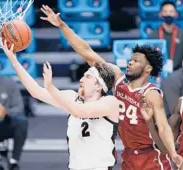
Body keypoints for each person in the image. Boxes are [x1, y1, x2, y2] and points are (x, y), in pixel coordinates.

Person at [39, 5, 183, 169]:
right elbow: (86, 52)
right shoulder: (118, 80)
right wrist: (62, 26)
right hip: (128, 155)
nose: (130, 62)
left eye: (136, 61)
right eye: (131, 59)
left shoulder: (151, 94)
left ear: (147, 69)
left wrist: (173, 154)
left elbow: (163, 127)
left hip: (151, 157)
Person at [0, 39, 120, 170]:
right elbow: (36, 92)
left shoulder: (110, 103)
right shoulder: (71, 97)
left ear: (99, 86)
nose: (81, 79)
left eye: (88, 77)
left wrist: (51, 88)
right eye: (83, 75)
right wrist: (14, 61)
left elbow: (79, 111)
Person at [149, 1, 183, 71]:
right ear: (160, 14)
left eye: (171, 11)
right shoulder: (153, 35)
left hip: (178, 73)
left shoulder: (181, 33)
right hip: (159, 73)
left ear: (176, 14)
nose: (168, 14)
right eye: (165, 11)